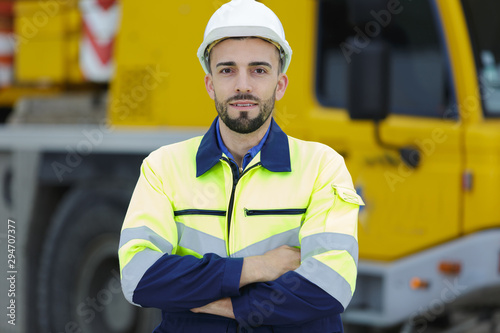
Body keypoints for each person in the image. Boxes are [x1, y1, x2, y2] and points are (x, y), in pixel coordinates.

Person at [118, 0, 363, 332]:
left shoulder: (322, 167)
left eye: (259, 70)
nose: (243, 85)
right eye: (227, 69)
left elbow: (329, 287)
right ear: (210, 84)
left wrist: (215, 303)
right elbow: (139, 278)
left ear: (280, 84)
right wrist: (257, 267)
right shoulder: (163, 168)